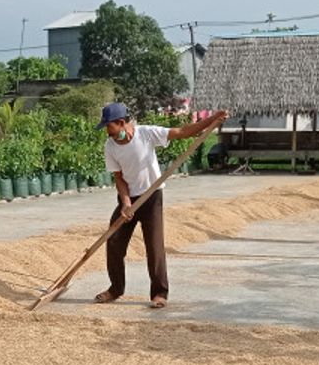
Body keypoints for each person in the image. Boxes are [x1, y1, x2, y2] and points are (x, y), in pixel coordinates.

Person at [93, 102, 228, 309]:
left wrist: (212, 119)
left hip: (152, 196)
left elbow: (183, 132)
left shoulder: (146, 134)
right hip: (129, 199)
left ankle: (159, 293)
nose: (107, 132)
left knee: (154, 247)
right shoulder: (110, 146)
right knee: (113, 240)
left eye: (109, 127)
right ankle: (116, 289)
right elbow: (119, 177)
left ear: (121, 123)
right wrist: (126, 202)